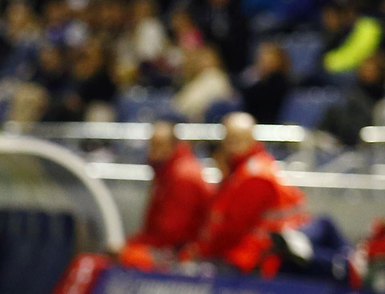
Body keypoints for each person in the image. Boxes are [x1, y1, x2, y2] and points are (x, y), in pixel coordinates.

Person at [185, 112, 306, 276]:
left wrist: (202, 251)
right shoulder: (242, 170)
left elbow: (232, 230)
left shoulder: (254, 176)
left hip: (255, 259)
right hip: (253, 254)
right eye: (229, 139)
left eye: (236, 139)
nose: (230, 145)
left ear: (251, 139)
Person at [119, 121, 212, 270]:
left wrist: (130, 245)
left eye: (159, 145)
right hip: (171, 248)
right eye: (152, 145)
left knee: (127, 257)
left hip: (182, 254)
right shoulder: (168, 172)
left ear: (173, 145)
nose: (152, 151)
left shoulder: (183, 176)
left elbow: (170, 234)